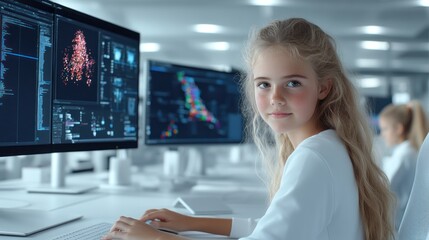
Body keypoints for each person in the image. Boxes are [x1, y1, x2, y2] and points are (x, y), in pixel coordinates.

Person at [102, 18, 395, 240]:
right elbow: (271, 228)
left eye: (292, 83)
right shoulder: (328, 146)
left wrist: (153, 237)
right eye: (264, 84)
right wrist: (191, 222)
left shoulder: (314, 159)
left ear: (323, 87)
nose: (275, 98)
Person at [379, 100, 429, 229]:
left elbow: (381, 189)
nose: (382, 135)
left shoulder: (404, 156)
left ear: (399, 129)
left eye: (385, 129)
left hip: (400, 224)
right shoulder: (410, 152)